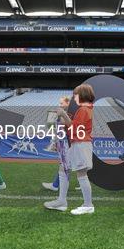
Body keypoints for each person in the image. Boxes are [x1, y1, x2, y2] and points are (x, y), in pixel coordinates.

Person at [44, 84, 95, 215]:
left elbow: (74, 128)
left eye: (76, 94)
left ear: (82, 95)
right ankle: (61, 201)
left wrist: (64, 115)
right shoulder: (84, 109)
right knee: (63, 168)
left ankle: (88, 205)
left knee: (81, 173)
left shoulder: (84, 109)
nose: (74, 97)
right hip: (77, 144)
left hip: (81, 144)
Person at [42, 96, 71, 192]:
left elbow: (64, 124)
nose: (60, 105)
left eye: (62, 103)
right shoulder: (64, 113)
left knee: (65, 164)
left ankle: (58, 185)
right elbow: (55, 128)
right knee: (64, 164)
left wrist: (56, 116)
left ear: (68, 103)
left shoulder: (67, 114)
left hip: (65, 142)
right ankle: (56, 184)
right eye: (59, 103)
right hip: (62, 141)